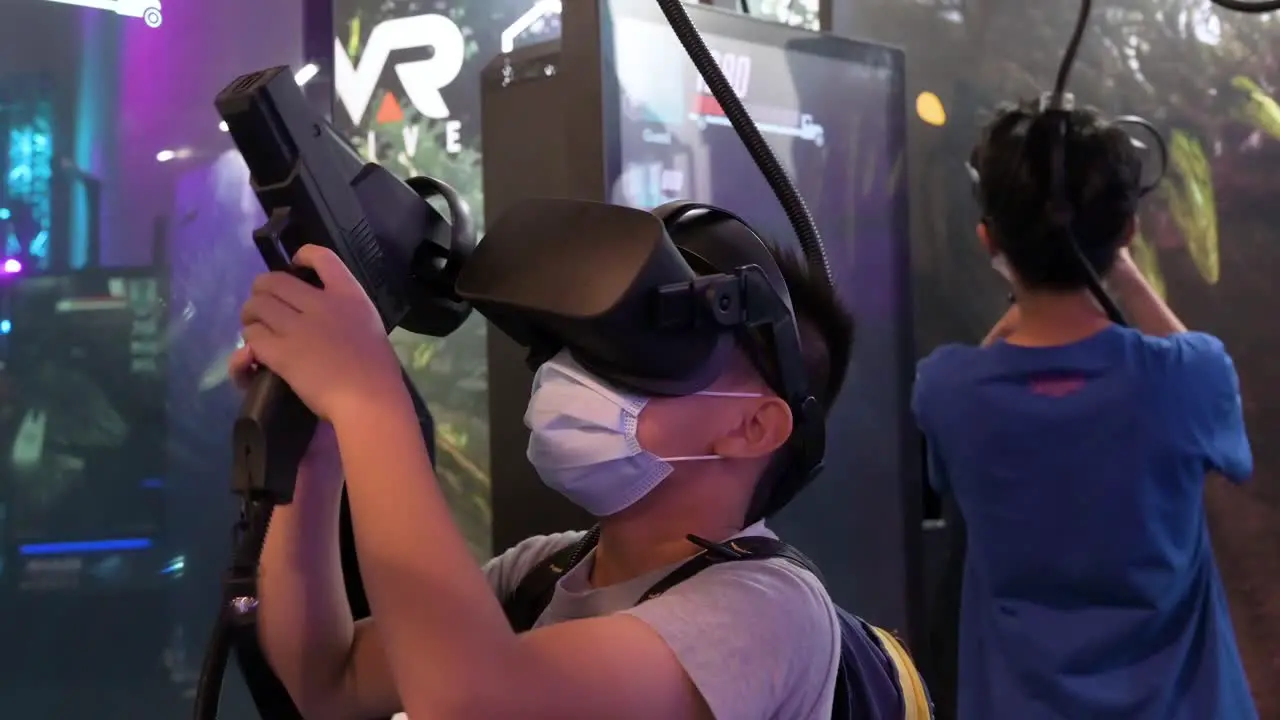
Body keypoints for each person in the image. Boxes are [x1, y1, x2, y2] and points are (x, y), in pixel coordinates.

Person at [231, 233, 855, 719]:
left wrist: (367, 398)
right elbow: (327, 681)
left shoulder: (769, 610)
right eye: (579, 347)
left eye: (637, 358)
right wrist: (316, 455)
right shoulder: (542, 572)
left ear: (753, 428)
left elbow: (472, 702)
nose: (575, 375)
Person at [913, 100, 1255, 720]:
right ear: (1127, 232)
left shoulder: (946, 392)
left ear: (989, 239)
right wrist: (1118, 270)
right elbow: (1203, 389)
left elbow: (983, 379)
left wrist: (1033, 277)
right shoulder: (1189, 380)